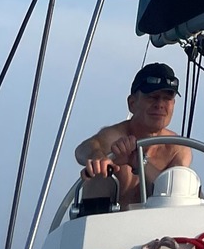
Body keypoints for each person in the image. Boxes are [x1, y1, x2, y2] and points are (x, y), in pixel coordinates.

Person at [74, 63, 191, 207]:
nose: (160, 104)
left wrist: (139, 162)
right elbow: (82, 150)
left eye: (167, 99)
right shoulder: (114, 138)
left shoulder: (178, 149)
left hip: (161, 227)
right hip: (104, 227)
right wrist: (97, 157)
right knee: (99, 174)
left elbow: (174, 194)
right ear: (132, 103)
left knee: (187, 187)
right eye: (152, 97)